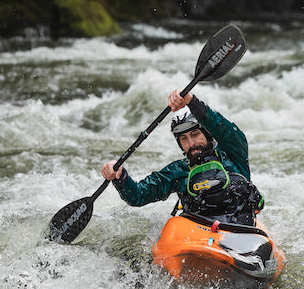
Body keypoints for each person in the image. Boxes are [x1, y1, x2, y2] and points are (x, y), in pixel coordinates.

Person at [101, 90, 264, 226]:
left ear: (208, 134)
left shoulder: (233, 153)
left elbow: (222, 128)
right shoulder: (179, 170)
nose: (191, 143)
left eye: (195, 134)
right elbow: (138, 195)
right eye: (184, 139)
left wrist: (192, 102)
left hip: (241, 230)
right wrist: (120, 177)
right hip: (198, 235)